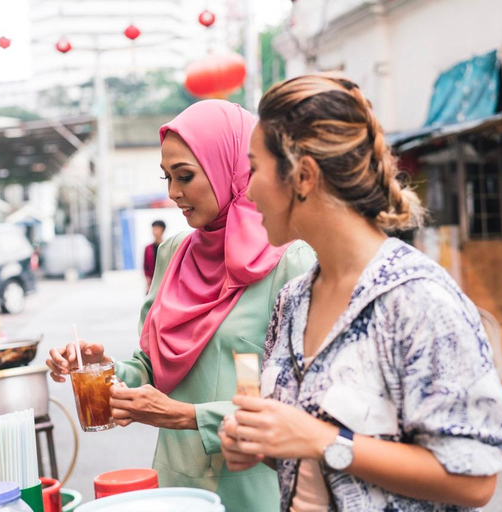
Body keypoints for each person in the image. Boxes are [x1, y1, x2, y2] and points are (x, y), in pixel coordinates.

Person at [218, 74, 502, 511]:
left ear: (303, 176)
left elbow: (475, 481)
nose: (246, 189)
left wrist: (321, 439)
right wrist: (262, 444)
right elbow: (307, 456)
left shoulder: (417, 299)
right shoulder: (292, 301)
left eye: (255, 168)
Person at [47, 99, 316, 511]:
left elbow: (299, 405)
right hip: (178, 489)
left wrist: (185, 415)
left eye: (185, 176)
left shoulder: (289, 259)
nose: (173, 193)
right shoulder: (174, 253)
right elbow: (152, 370)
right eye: (167, 177)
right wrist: (104, 370)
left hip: (255, 491)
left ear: (232, 167)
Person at [143, 220, 166, 292]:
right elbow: (145, 266)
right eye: (153, 229)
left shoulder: (167, 246)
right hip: (152, 281)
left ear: (162, 230)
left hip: (164, 281)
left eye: (157, 229)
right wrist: (148, 283)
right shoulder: (148, 248)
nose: (154, 231)